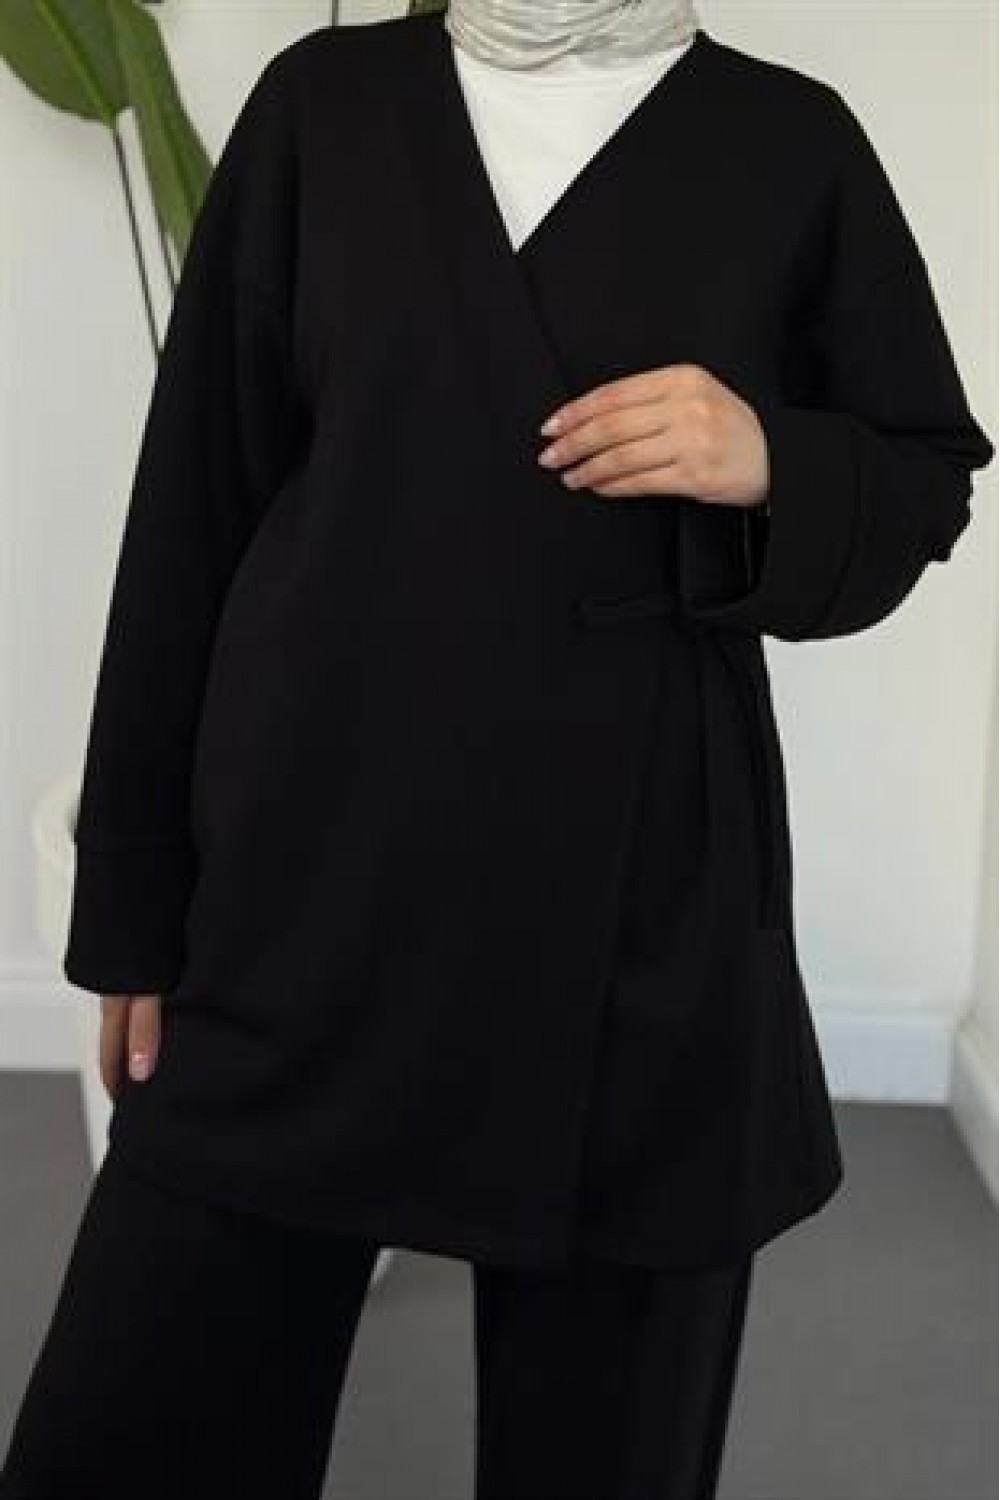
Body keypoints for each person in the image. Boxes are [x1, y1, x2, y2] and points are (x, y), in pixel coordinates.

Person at [2, 1, 993, 1496]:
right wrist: (135, 903)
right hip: (302, 885)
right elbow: (193, 512)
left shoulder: (790, 143)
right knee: (130, 1436)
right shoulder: (323, 110)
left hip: (640, 912)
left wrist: (770, 458)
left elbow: (925, 481)